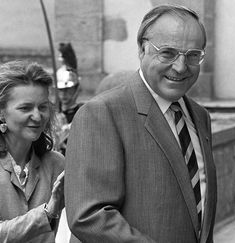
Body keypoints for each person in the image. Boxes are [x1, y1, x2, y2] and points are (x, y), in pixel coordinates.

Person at [65, 4, 217, 243]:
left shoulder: (200, 116)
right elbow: (89, 216)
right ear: (141, 49)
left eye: (193, 55)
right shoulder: (102, 113)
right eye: (167, 53)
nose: (180, 66)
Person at [0, 61, 65, 242]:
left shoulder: (56, 163)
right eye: (25, 108)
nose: (37, 116)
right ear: (0, 111)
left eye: (43, 107)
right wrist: (48, 212)